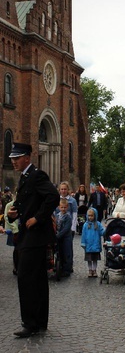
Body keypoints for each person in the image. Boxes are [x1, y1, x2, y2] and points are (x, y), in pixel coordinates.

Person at [7, 142, 60, 337]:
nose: (13, 161)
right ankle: (38, 322)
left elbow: (53, 197)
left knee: (26, 277)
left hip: (35, 235)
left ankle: (30, 323)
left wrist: (38, 218)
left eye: (17, 158)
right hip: (29, 235)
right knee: (36, 279)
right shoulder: (25, 177)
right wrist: (14, 214)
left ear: (27, 157)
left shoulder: (36, 175)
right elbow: (28, 203)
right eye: (12, 158)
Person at [81, 207, 105, 277]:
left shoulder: (98, 224)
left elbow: (101, 232)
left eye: (91, 216)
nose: (90, 217)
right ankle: (90, 270)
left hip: (95, 245)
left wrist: (106, 230)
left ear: (95, 216)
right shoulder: (85, 225)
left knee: (95, 259)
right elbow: (83, 235)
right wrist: (83, 243)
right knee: (89, 259)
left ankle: (94, 270)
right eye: (89, 216)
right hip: (88, 245)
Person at [55, 198, 73, 276]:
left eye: (64, 207)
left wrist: (58, 235)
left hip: (66, 237)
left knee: (67, 253)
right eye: (61, 207)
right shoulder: (57, 215)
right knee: (60, 252)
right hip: (59, 237)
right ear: (59, 207)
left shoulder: (68, 217)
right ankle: (60, 267)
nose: (63, 209)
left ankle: (67, 269)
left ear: (67, 207)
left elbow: (66, 228)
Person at [4, 192, 19, 274]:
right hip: (14, 230)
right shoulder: (9, 205)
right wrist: (15, 229)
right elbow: (7, 217)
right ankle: (16, 267)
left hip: (23, 229)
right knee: (16, 249)